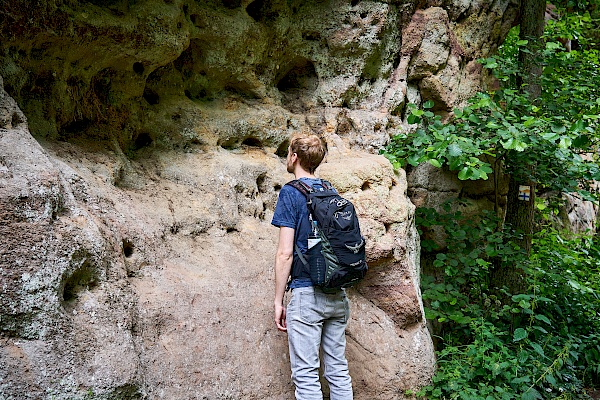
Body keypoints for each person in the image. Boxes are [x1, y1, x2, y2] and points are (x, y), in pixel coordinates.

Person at [272, 133, 353, 400]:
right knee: (338, 371)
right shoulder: (329, 190)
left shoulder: (290, 193)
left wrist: (278, 299)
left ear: (294, 157)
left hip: (307, 295)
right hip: (337, 293)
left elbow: (285, 253)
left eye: (288, 153)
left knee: (306, 375)